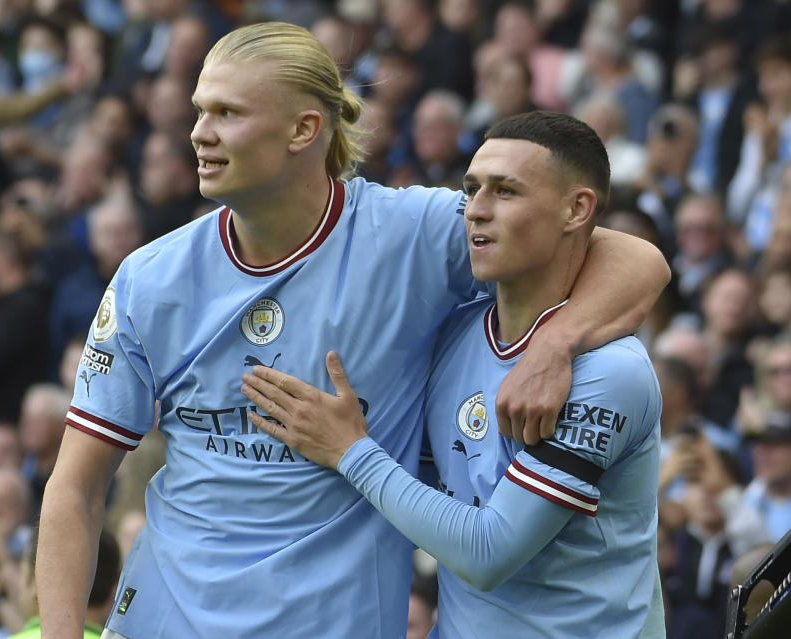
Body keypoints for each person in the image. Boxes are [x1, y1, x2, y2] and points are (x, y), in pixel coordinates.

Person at [36, 24, 670, 638]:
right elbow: (75, 487)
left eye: (227, 113)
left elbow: (628, 255)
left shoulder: (412, 236)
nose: (199, 133)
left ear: (304, 129)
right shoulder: (151, 277)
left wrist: (556, 343)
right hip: (163, 621)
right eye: (200, 111)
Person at [242, 112, 665, 638]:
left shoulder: (609, 372)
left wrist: (350, 450)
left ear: (576, 209)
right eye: (471, 189)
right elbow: (419, 486)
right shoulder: (456, 333)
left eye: (505, 192)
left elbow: (489, 553)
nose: (475, 211)